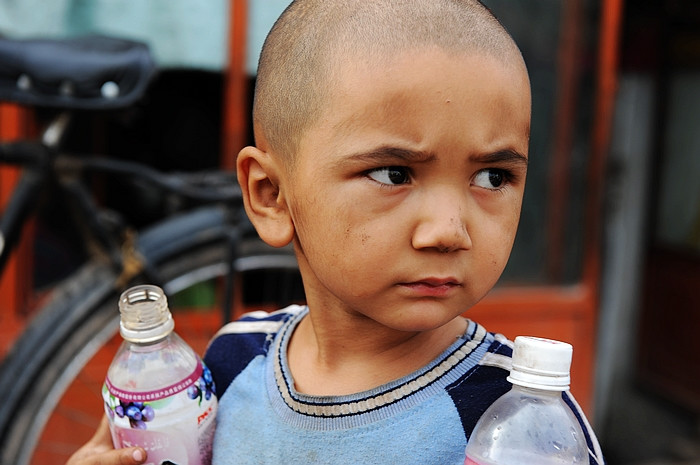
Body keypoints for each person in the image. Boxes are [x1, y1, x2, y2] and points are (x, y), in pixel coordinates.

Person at [68, 0, 605, 464]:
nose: (448, 231)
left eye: (493, 177)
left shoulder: (519, 419)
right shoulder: (233, 364)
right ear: (272, 196)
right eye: (395, 174)